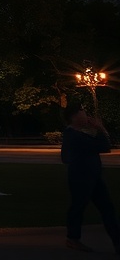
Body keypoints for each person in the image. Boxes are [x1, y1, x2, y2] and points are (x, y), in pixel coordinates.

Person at [61, 103, 120, 254]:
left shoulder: (81, 133)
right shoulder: (73, 135)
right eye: (83, 112)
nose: (86, 115)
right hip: (82, 177)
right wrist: (100, 128)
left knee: (106, 208)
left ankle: (116, 241)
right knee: (80, 206)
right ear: (74, 116)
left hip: (92, 176)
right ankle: (73, 238)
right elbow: (104, 146)